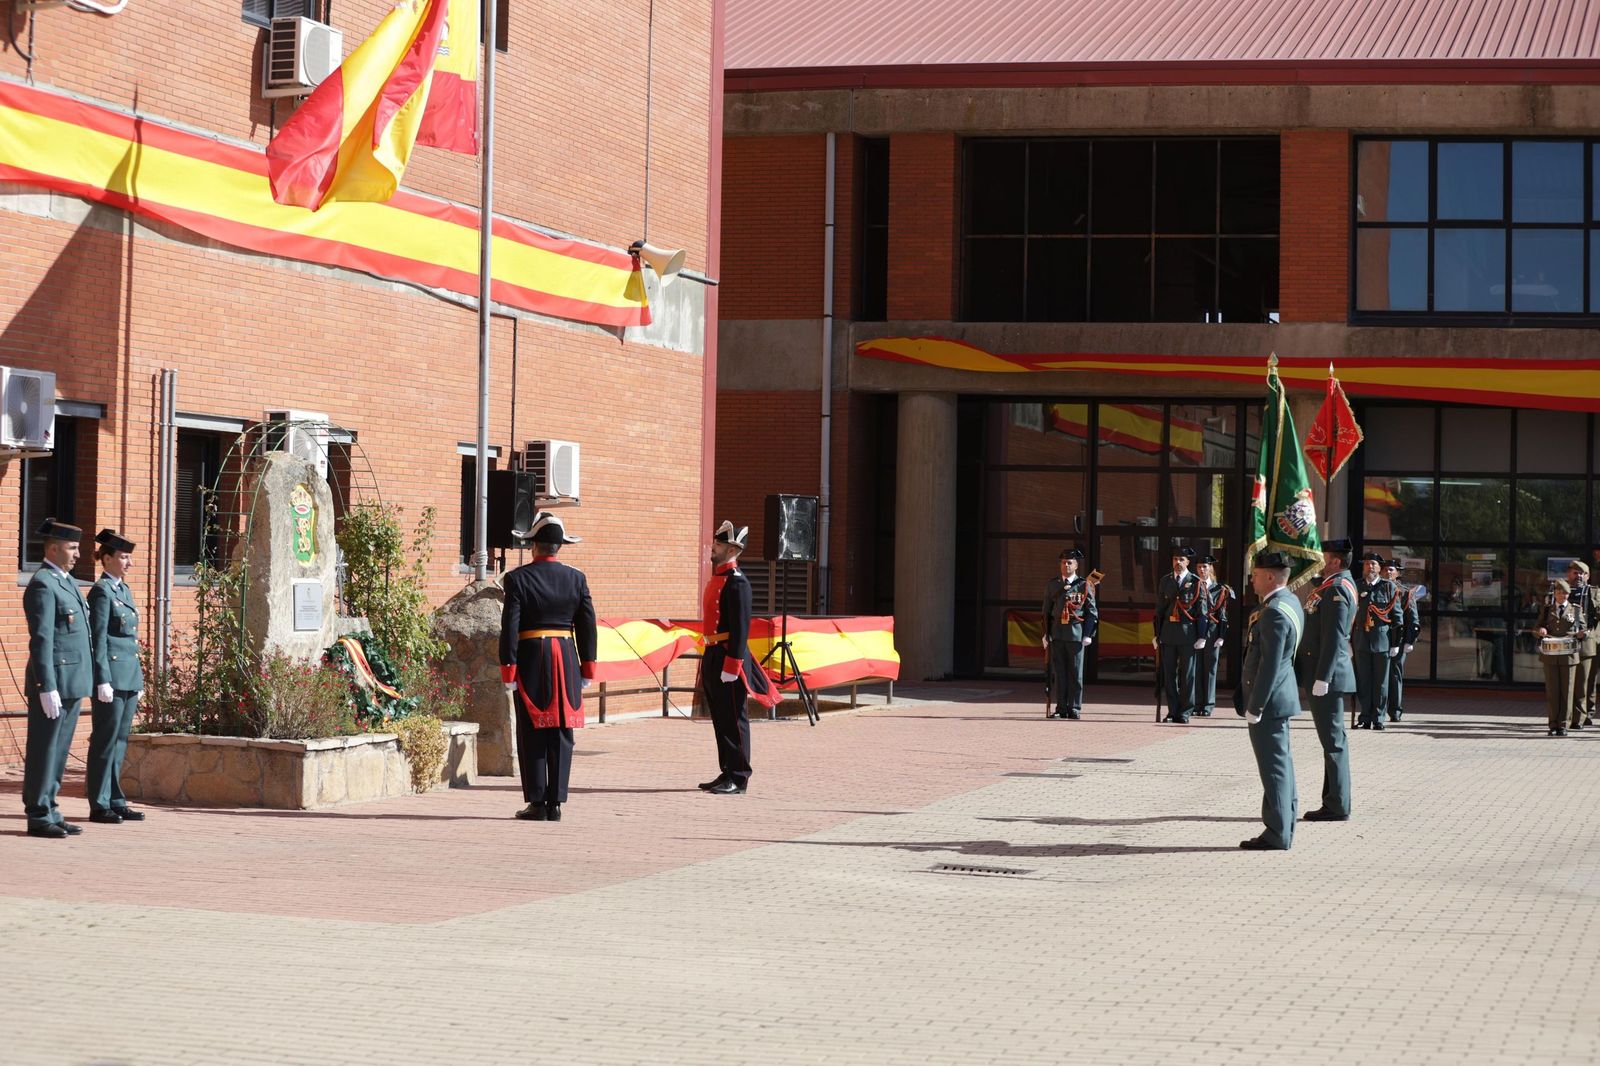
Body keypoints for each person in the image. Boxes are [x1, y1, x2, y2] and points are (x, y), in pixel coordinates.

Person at [499, 511, 597, 822]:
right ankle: (556, 802)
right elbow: (587, 626)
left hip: (532, 655)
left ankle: (538, 802)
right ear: (558, 547)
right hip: (567, 656)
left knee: (533, 728)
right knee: (562, 729)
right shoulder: (576, 578)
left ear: (534, 545)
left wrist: (508, 668)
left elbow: (510, 627)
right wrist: (588, 667)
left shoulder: (517, 579)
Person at [22, 518, 93, 839]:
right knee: (44, 748)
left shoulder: (65, 581)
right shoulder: (43, 584)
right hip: (53, 682)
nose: (79, 553)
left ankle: (50, 806)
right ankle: (37, 814)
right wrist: (45, 686)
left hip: (72, 680)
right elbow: (42, 640)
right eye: (72, 547)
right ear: (53, 548)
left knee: (60, 749)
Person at [698, 520, 779, 795]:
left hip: (728, 657)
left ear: (732, 549)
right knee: (720, 718)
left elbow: (741, 628)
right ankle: (727, 771)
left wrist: (732, 664)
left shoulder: (738, 583)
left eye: (718, 544)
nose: (713, 547)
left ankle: (740, 775)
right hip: (712, 652)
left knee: (734, 718)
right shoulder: (719, 579)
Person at [1238, 550, 1305, 850]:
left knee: (1274, 768)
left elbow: (1271, 664)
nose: (1251, 580)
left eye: (1254, 575)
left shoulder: (1276, 610)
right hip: (1279, 697)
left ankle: (1277, 832)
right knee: (1281, 765)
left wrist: (1257, 706)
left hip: (1270, 701)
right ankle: (1284, 825)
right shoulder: (1288, 602)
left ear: (1269, 576)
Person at [86, 529, 146, 824]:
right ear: (107, 559)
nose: (129, 563)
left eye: (128, 557)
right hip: (110, 677)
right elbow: (98, 639)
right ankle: (99, 803)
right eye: (123, 557)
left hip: (128, 676)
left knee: (120, 740)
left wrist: (139, 680)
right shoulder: (101, 592)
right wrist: (102, 680)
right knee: (104, 740)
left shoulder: (123, 590)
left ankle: (115, 798)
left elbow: (130, 639)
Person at [1298, 538, 1356, 821]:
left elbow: (1333, 638)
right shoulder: (1330, 584)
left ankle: (1337, 805)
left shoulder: (1337, 588)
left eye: (1323, 556)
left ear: (1335, 560)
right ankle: (1332, 800)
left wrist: (1323, 676)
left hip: (1327, 678)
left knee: (1333, 742)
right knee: (1332, 741)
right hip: (1324, 675)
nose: (1319, 560)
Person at [1041, 547, 1097, 719]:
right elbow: (1046, 612)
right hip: (1057, 634)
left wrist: (1088, 634)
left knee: (1075, 673)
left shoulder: (1084, 584)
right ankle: (1061, 708)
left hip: (1076, 634)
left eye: (1069, 562)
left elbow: (1092, 612)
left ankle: (1075, 707)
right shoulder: (1053, 584)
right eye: (1063, 562)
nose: (1066, 565)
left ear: (1076, 565)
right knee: (1060, 673)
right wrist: (1046, 633)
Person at [1153, 545, 1206, 723]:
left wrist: (1202, 636)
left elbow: (1201, 611)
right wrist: (1156, 634)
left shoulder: (1196, 581)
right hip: (1168, 633)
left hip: (1188, 633)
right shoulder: (1165, 581)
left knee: (1187, 675)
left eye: (1181, 560)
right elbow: (1159, 610)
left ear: (1188, 562)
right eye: (1175, 559)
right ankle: (1172, 711)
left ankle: (1185, 711)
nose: (1178, 562)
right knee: (1169, 675)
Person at [1351, 551, 1401, 730]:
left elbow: (1397, 619)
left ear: (1380, 568)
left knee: (1381, 682)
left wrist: (1396, 644)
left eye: (1373, 564)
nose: (1370, 567)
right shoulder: (1356, 586)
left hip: (1382, 641)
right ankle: (1365, 716)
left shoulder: (1388, 587)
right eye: (1367, 564)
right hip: (1361, 640)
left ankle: (1378, 717)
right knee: (1363, 680)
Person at [1535, 579, 1582, 737]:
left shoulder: (1575, 610)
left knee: (1567, 691)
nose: (1562, 595)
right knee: (1552, 691)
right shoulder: (1547, 609)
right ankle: (1553, 724)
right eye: (1559, 592)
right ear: (1555, 593)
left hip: (1568, 656)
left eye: (1565, 593)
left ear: (1569, 594)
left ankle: (1563, 725)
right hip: (1550, 655)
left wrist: (1581, 633)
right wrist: (1540, 629)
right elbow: (1537, 627)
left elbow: (1581, 628)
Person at [1194, 555, 1233, 718]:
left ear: (1210, 568)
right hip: (1195, 632)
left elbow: (1222, 613)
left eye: (1205, 566)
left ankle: (1208, 705)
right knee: (1196, 668)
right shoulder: (1192, 586)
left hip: (1212, 631)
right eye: (1199, 567)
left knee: (1210, 669)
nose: (1202, 570)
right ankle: (1196, 703)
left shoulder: (1220, 589)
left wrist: (1222, 635)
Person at [1383, 559, 1421, 723]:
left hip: (1398, 640)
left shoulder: (1405, 592)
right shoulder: (1375, 588)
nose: (1388, 572)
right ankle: (1377, 710)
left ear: (1398, 573)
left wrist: (1409, 641)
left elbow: (1413, 619)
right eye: (1384, 569)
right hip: (1379, 639)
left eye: (1391, 570)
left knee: (1394, 675)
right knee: (1377, 676)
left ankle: (1395, 710)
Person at [1565, 560, 1599, 729]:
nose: (1578, 576)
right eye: (1574, 572)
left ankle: (1583, 716)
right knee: (1568, 682)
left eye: (1582, 573)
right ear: (1568, 574)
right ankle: (1568, 716)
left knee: (1585, 681)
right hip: (1565, 643)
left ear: (1587, 576)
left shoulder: (1593, 593)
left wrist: (1587, 632)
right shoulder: (1561, 592)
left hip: (1587, 642)